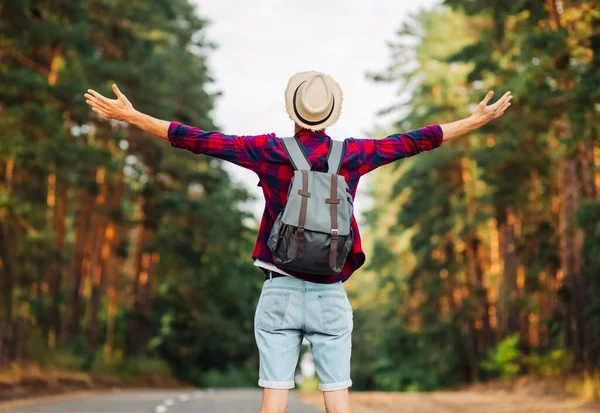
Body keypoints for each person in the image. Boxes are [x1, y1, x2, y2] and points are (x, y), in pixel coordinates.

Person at [84, 71, 512, 413]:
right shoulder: (355, 154)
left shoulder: (267, 150)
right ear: (330, 117)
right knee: (337, 399)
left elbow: (199, 140)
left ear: (293, 112)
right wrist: (474, 121)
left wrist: (135, 117)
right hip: (331, 295)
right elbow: (415, 141)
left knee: (274, 399)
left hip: (279, 291)